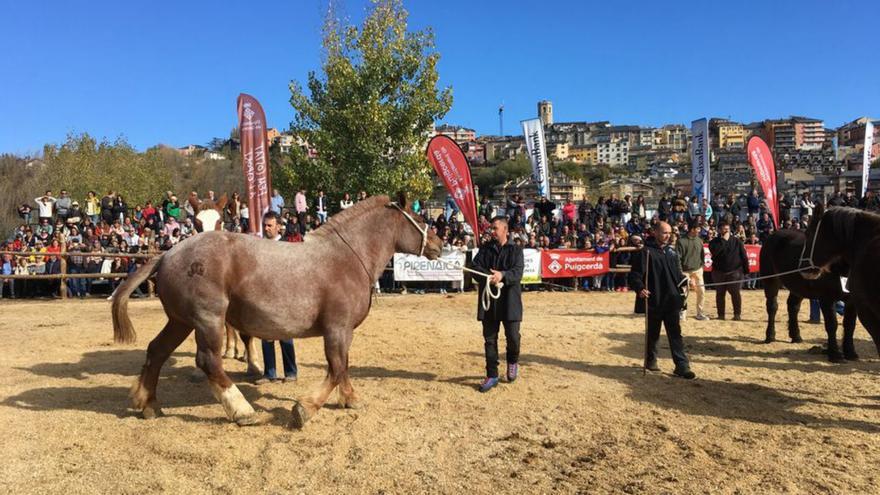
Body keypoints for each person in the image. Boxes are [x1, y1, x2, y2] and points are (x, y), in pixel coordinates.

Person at [628, 222, 696, 379]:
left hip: (672, 299)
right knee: (653, 333)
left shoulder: (671, 252)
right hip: (654, 299)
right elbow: (634, 275)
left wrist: (685, 280)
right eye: (665, 232)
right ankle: (651, 361)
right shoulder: (645, 252)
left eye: (669, 233)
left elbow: (676, 275)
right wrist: (640, 288)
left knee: (675, 334)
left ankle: (682, 366)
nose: (668, 235)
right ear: (655, 232)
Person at [472, 216, 524, 393]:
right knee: (489, 340)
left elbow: (517, 272)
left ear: (505, 230)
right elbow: (474, 268)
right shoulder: (485, 249)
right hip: (490, 303)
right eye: (491, 229)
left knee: (513, 337)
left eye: (494, 228)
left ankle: (512, 361)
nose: (491, 231)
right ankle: (492, 374)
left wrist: (502, 275)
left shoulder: (516, 250)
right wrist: (489, 276)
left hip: (510, 302)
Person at [256, 211, 298, 384]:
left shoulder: (287, 245)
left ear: (278, 226)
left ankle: (291, 372)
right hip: (264, 297)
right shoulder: (258, 246)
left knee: (285, 336)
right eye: (264, 225)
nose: (266, 228)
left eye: (270, 225)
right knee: (266, 335)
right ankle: (269, 373)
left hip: (284, 298)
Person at [708, 220, 749, 320]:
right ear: (719, 230)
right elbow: (715, 252)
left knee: (735, 293)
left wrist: (746, 269)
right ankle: (721, 315)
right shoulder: (714, 242)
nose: (726, 231)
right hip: (719, 272)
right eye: (724, 229)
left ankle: (737, 314)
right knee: (720, 294)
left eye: (727, 229)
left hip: (734, 272)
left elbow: (743, 256)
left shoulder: (737, 241)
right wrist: (724, 241)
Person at [676, 220, 709, 321]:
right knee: (684, 293)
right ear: (692, 229)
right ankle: (682, 313)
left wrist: (701, 266)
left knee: (701, 292)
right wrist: (681, 272)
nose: (699, 231)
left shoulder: (699, 240)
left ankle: (700, 313)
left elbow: (702, 254)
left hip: (698, 270)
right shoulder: (681, 241)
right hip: (684, 271)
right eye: (698, 228)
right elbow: (677, 258)